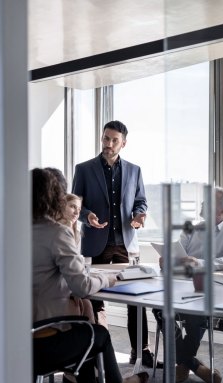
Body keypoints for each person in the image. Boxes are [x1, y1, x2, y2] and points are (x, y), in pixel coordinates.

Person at [31, 168, 149, 383]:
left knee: (83, 323)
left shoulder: (17, 232)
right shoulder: (55, 233)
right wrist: (108, 279)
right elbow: (83, 285)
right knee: (99, 334)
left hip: (14, 339)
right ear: (54, 197)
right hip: (43, 344)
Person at [71, 120, 161, 368]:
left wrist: (139, 216)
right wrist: (86, 215)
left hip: (125, 244)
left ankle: (141, 351)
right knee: (96, 299)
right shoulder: (84, 169)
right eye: (105, 138)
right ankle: (101, 352)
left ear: (124, 143)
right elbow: (74, 205)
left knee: (135, 298)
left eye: (113, 140)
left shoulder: (135, 170)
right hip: (96, 243)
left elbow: (140, 202)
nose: (108, 144)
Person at [154, 187, 223, 383]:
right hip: (180, 283)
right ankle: (192, 363)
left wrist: (199, 262)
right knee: (159, 308)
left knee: (196, 313)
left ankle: (184, 363)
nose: (203, 204)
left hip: (209, 289)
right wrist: (167, 259)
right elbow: (177, 250)